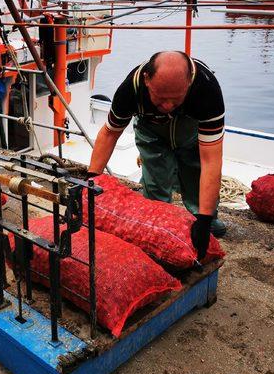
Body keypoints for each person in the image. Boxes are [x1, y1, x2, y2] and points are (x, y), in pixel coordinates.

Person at [87, 51, 226, 260]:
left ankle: (206, 219)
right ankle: (156, 232)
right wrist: (91, 180)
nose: (168, 106)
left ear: (188, 83)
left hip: (190, 134)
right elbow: (109, 133)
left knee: (194, 173)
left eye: (176, 99)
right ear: (147, 81)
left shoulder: (207, 90)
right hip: (152, 131)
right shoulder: (131, 88)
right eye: (160, 98)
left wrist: (204, 219)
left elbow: (211, 160)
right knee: (155, 184)